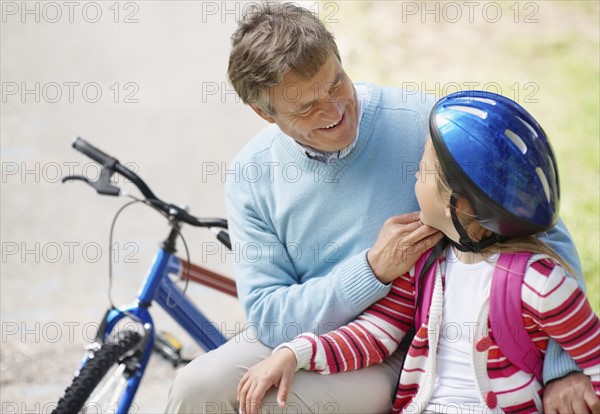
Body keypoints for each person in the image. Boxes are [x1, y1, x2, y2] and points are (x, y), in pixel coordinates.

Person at [166, 3, 597, 413]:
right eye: (307, 107)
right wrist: (370, 271)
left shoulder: (425, 124)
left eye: (336, 83)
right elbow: (268, 317)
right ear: (264, 113)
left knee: (261, 405)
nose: (335, 110)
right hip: (308, 336)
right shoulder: (251, 175)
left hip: (404, 345)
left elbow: (543, 232)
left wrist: (563, 369)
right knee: (194, 389)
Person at [237, 90, 600, 414]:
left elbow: (593, 354)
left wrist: (569, 378)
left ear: (459, 204)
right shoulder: (425, 266)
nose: (414, 175)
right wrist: (294, 353)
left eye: (423, 169)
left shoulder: (537, 282)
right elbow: (372, 336)